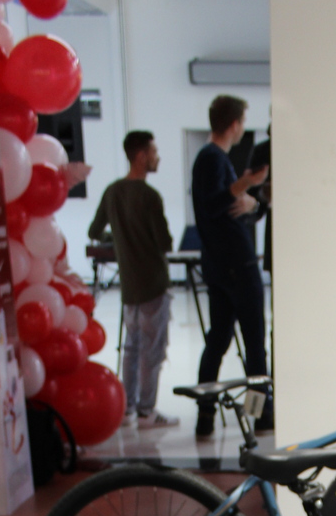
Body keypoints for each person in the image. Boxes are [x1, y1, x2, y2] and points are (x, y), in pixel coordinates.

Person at [191, 95, 270, 437]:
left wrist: (251, 202)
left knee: (219, 341)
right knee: (253, 345)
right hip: (237, 265)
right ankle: (259, 415)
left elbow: (226, 207)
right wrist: (246, 184)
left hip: (221, 266)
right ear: (235, 124)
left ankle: (206, 415)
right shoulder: (212, 158)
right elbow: (215, 204)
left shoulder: (210, 159)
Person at [88, 131, 179, 429]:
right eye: (153, 152)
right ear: (141, 156)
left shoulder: (112, 192)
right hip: (153, 283)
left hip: (129, 286)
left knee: (131, 347)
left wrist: (117, 238)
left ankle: (127, 408)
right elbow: (164, 242)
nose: (157, 157)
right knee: (152, 350)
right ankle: (147, 410)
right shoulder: (150, 197)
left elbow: (94, 231)